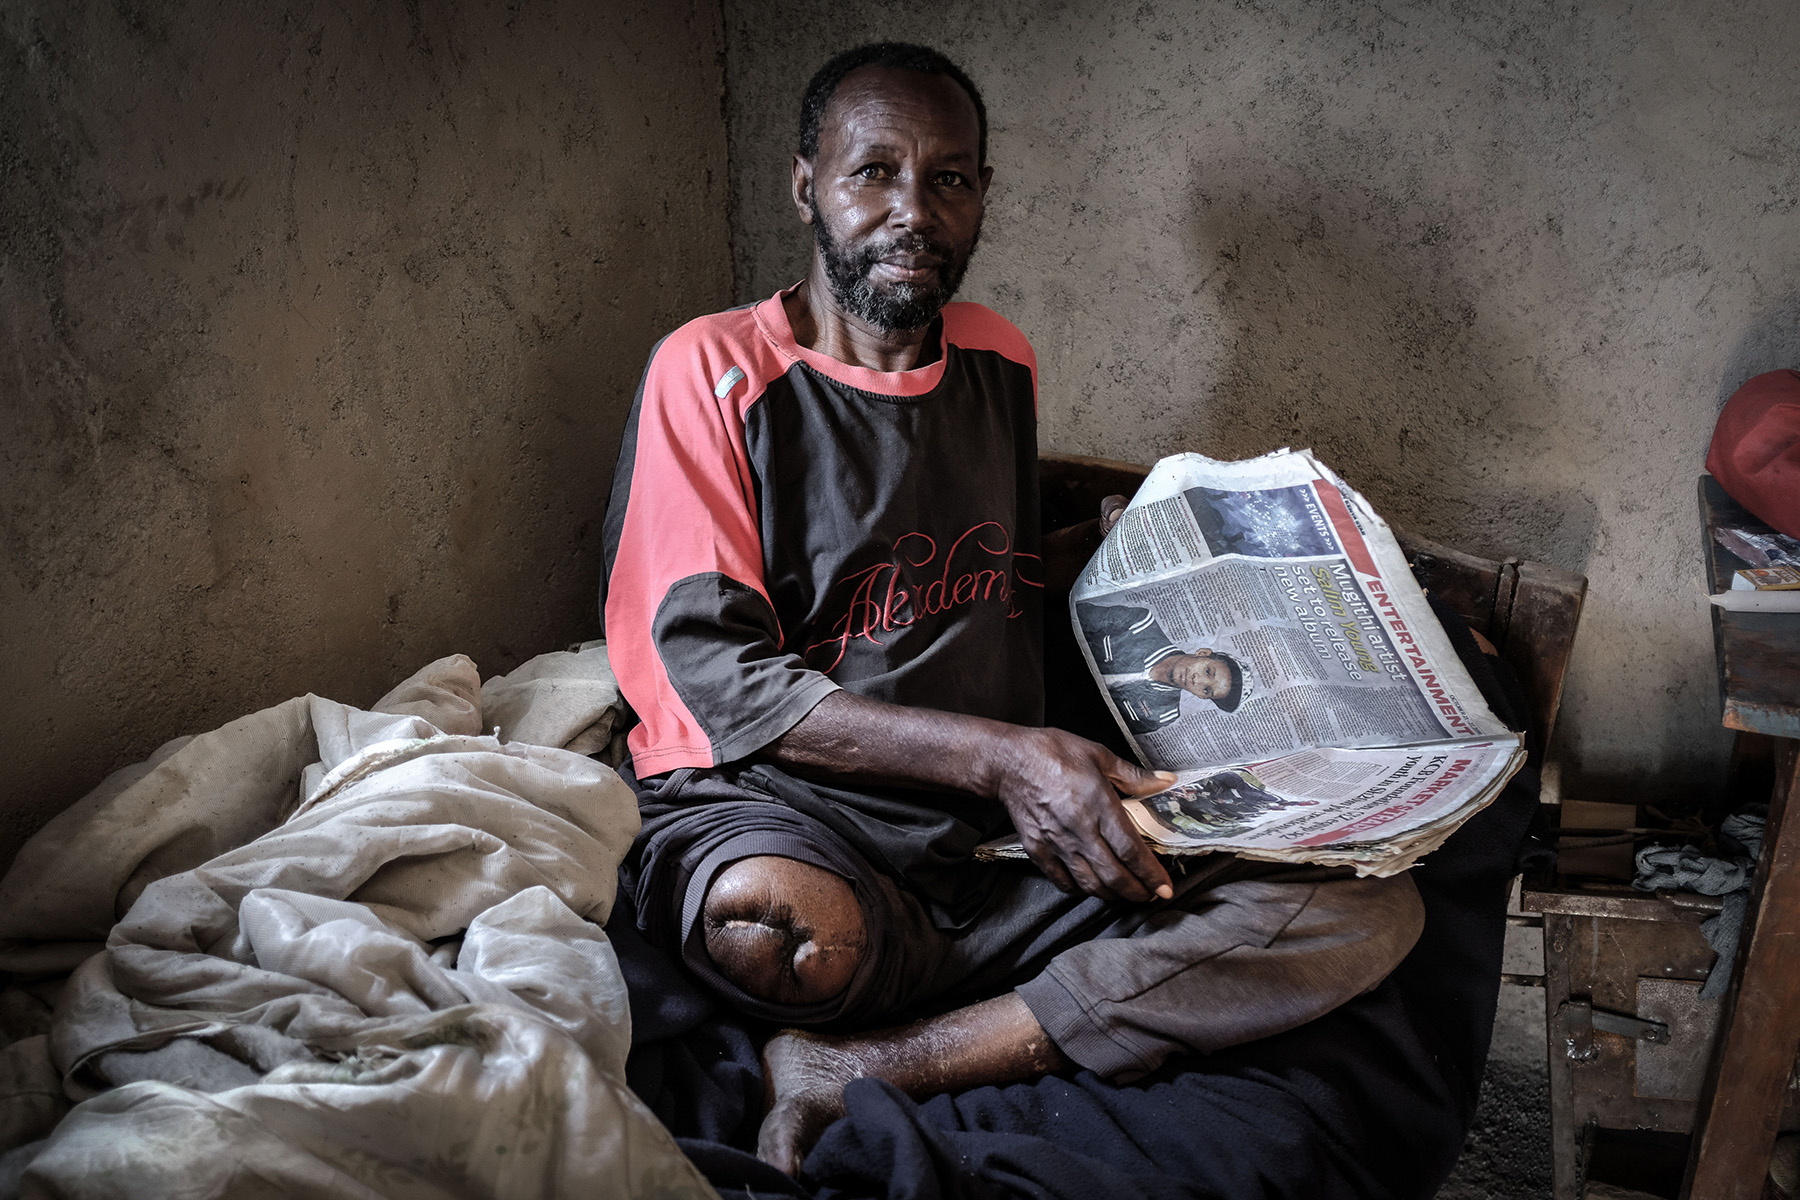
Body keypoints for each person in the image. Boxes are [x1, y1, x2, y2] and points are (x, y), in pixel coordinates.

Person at [599, 42, 1424, 1175]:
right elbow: (722, 683)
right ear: (806, 189)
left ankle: (878, 1063)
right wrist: (1005, 759)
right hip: (796, 811)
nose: (912, 211)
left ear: (982, 196)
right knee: (767, 930)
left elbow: (986, 578)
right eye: (872, 173)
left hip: (992, 850)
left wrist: (1141, 560)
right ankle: (1021, 1010)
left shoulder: (997, 358)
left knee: (1368, 912)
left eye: (949, 178)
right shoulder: (715, 371)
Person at [1075, 600, 1244, 733]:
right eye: (1207, 671)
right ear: (1203, 653)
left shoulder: (1164, 714)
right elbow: (1078, 617)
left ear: (1201, 697)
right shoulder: (1140, 624)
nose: (1197, 681)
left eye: (1206, 690)